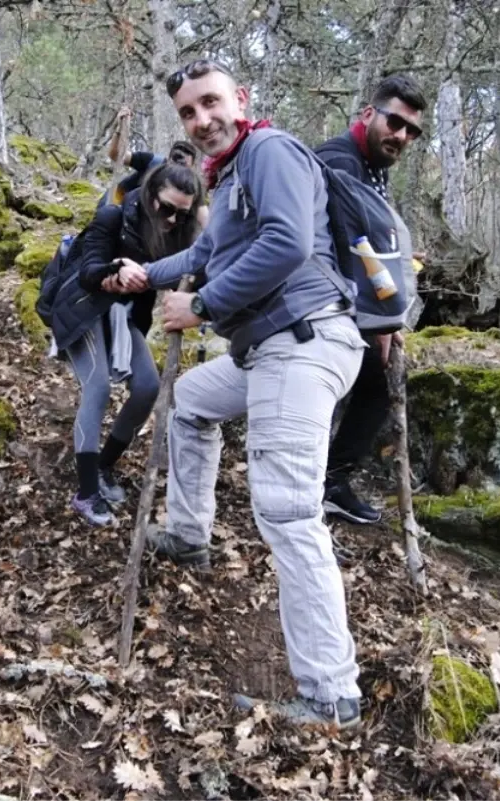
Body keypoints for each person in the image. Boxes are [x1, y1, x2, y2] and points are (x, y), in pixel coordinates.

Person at [108, 60, 367, 729]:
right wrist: (146, 276)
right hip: (265, 351)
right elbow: (201, 258)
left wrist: (204, 307)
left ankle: (332, 693)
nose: (201, 120)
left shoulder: (271, 151)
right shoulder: (227, 181)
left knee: (286, 512)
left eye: (211, 103)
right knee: (189, 403)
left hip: (303, 343)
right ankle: (191, 535)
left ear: (241, 100)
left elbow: (287, 242)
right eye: (189, 113)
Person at [48, 161, 206, 526]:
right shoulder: (112, 217)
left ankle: (104, 466)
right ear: (150, 194)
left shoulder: (178, 233)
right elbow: (88, 272)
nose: (170, 219)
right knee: (98, 386)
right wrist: (115, 267)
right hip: (82, 309)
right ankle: (86, 491)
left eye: (181, 214)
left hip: (123, 319)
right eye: (165, 208)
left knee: (148, 387)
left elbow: (195, 271)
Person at [316, 74, 426, 525]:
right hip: (320, 307)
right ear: (367, 114)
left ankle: (330, 481)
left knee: (373, 388)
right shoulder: (339, 162)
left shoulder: (371, 165)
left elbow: (374, 238)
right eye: (394, 123)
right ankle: (323, 485)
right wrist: (380, 323)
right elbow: (354, 245)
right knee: (367, 386)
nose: (400, 136)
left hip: (347, 304)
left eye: (411, 131)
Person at [98, 141, 199, 208]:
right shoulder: (153, 162)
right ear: (168, 158)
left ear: (191, 167)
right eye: (175, 161)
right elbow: (116, 155)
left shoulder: (188, 186)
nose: (177, 169)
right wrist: (119, 130)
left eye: (182, 165)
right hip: (116, 200)